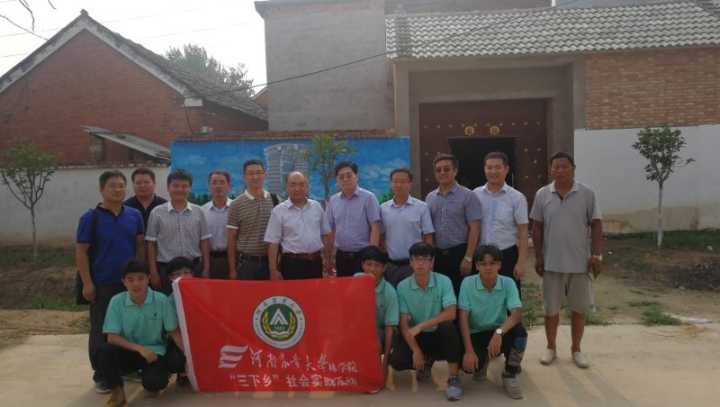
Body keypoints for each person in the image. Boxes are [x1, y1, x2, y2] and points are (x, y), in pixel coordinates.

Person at [530, 152, 603, 369]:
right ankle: (551, 347)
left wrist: (596, 255)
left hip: (580, 263)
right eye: (556, 167)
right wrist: (538, 256)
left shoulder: (587, 194)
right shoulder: (543, 194)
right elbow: (537, 227)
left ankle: (576, 349)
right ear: (551, 170)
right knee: (550, 310)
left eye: (564, 166)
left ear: (573, 169)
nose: (560, 170)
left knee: (579, 310)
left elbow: (596, 224)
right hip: (551, 263)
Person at [75, 170, 145, 394]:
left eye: (121, 185)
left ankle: (126, 367)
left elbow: (140, 246)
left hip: (130, 284)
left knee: (129, 328)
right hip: (103, 283)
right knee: (101, 330)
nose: (117, 190)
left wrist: (140, 278)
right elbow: (81, 252)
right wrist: (87, 283)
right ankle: (102, 375)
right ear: (101, 189)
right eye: (112, 186)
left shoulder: (134, 215)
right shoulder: (90, 218)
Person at [97, 260, 186, 406]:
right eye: (130, 279)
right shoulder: (116, 301)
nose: (136, 284)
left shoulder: (161, 300)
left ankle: (161, 372)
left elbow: (174, 332)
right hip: (128, 351)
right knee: (104, 351)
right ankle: (117, 392)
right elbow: (111, 337)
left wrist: (188, 357)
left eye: (140, 278)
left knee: (155, 383)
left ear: (148, 279)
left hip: (154, 353)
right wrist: (140, 349)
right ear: (123, 282)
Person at [390, 242, 463, 401]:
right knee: (397, 361)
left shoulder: (444, 281)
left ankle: (453, 379)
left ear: (432, 262)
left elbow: (451, 313)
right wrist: (415, 351)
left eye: (425, 259)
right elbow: (404, 325)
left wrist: (422, 325)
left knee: (448, 327)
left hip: (438, 333)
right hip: (417, 336)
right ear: (410, 262)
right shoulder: (402, 287)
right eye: (416, 259)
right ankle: (425, 360)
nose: (420, 264)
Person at [459, 245, 527, 400]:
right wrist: (469, 351)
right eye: (483, 264)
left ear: (500, 265)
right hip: (476, 332)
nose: (488, 268)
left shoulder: (508, 282)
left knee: (520, 333)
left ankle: (510, 373)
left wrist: (499, 332)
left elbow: (516, 314)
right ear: (476, 266)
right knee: (469, 368)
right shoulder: (467, 283)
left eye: (492, 263)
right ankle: (482, 362)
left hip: (499, 331)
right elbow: (463, 318)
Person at [426, 153, 483, 295]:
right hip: (438, 255)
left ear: (455, 171)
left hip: (460, 253)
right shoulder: (430, 198)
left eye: (446, 169)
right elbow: (428, 230)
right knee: (440, 295)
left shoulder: (468, 196)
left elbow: (475, 228)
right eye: (438, 170)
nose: (442, 173)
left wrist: (468, 257)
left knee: (461, 295)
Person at [146, 170, 211, 293]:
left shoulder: (199, 212)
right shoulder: (157, 212)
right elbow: (151, 244)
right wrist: (153, 272)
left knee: (192, 302)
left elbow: (204, 241)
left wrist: (206, 268)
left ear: (190, 188)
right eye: (175, 186)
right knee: (167, 302)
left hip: (193, 268)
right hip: (166, 269)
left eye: (184, 186)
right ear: (168, 187)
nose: (180, 189)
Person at [473, 152, 529, 296]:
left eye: (497, 167)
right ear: (484, 169)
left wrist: (521, 262)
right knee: (481, 297)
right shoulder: (475, 195)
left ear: (506, 169)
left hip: (507, 255)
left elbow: (523, 231)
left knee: (509, 298)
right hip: (480, 256)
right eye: (489, 167)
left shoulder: (517, 197)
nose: (493, 171)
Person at [265, 171, 333, 280]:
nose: (297, 188)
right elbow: (273, 243)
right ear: (287, 187)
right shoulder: (278, 211)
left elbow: (326, 234)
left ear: (307, 187)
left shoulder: (316, 207)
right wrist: (273, 270)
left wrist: (328, 259)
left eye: (301, 184)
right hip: (291, 264)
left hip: (315, 263)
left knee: (315, 291)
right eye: (293, 185)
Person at [380, 168, 434, 287]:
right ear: (391, 184)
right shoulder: (383, 208)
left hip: (415, 266)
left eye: (403, 181)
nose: (399, 185)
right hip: (391, 266)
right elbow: (382, 237)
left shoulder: (421, 207)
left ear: (410, 184)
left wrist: (430, 263)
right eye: (395, 181)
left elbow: (428, 237)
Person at [326, 161, 381, 277]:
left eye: (349, 175)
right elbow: (330, 230)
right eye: (341, 177)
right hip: (341, 256)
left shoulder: (368, 198)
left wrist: (372, 256)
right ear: (337, 180)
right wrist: (329, 257)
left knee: (362, 287)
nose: (345, 179)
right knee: (343, 287)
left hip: (363, 256)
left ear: (356, 176)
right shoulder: (333, 200)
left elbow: (375, 227)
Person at [354, 246, 398, 387]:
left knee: (374, 337)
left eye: (377, 265)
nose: (372, 269)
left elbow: (389, 329)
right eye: (369, 264)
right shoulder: (355, 280)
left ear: (384, 268)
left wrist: (385, 364)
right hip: (356, 328)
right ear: (362, 265)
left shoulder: (390, 292)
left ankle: (373, 372)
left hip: (378, 332)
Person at [226, 160, 278, 280]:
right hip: (246, 264)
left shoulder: (275, 200)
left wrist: (275, 267)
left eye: (259, 172)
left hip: (270, 264)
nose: (255, 177)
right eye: (251, 173)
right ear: (244, 177)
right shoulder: (236, 204)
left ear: (264, 175)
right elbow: (231, 239)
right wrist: (232, 269)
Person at [165, 256, 194, 387]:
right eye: (177, 274)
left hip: (201, 337)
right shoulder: (168, 301)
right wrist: (189, 353)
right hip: (180, 340)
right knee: (175, 360)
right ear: (170, 278)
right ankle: (183, 373)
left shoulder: (205, 294)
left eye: (186, 272)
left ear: (193, 275)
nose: (182, 276)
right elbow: (173, 332)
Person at [201, 170, 233, 279]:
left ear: (229, 186)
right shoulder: (202, 211)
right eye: (214, 182)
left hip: (233, 260)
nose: (218, 186)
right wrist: (206, 267)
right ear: (209, 186)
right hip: (209, 259)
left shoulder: (236, 208)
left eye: (222, 182)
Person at [123, 167, 167, 232]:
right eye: (138, 183)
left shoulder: (165, 206)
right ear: (133, 185)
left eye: (146, 182)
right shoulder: (125, 207)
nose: (142, 186)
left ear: (154, 184)